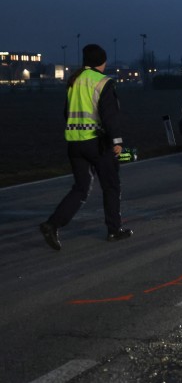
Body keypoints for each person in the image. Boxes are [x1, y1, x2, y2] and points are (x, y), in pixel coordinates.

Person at [39, 44, 133, 251]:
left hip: (74, 143)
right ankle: (114, 230)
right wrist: (116, 141)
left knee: (81, 188)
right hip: (97, 143)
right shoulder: (103, 82)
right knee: (111, 186)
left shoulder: (74, 81)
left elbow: (67, 113)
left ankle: (52, 224)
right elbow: (110, 115)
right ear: (103, 61)